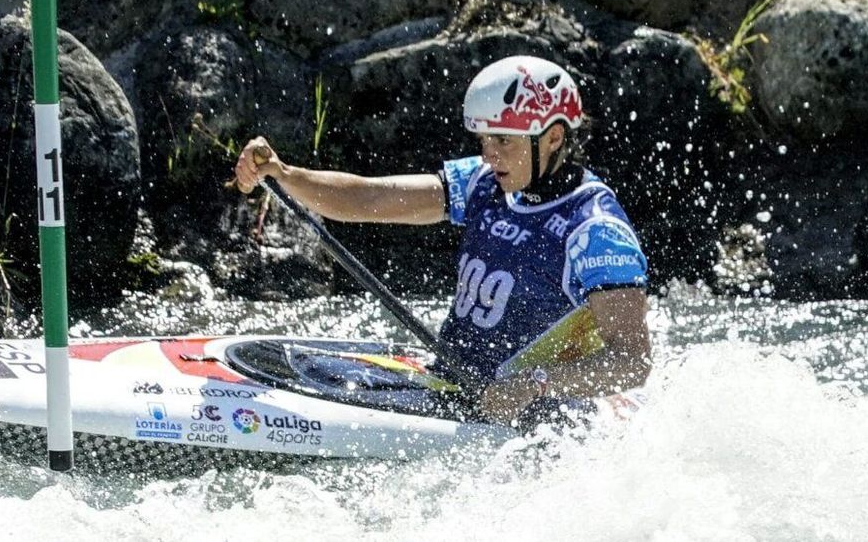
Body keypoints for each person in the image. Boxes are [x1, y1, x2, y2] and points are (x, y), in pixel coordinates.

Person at [233, 55, 651, 427]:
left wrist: (534, 384)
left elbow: (632, 361)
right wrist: (284, 174)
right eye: (484, 140)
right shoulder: (483, 183)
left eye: (503, 140)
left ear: (554, 138)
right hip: (453, 383)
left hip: (533, 417)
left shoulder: (596, 230)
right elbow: (369, 197)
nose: (489, 155)